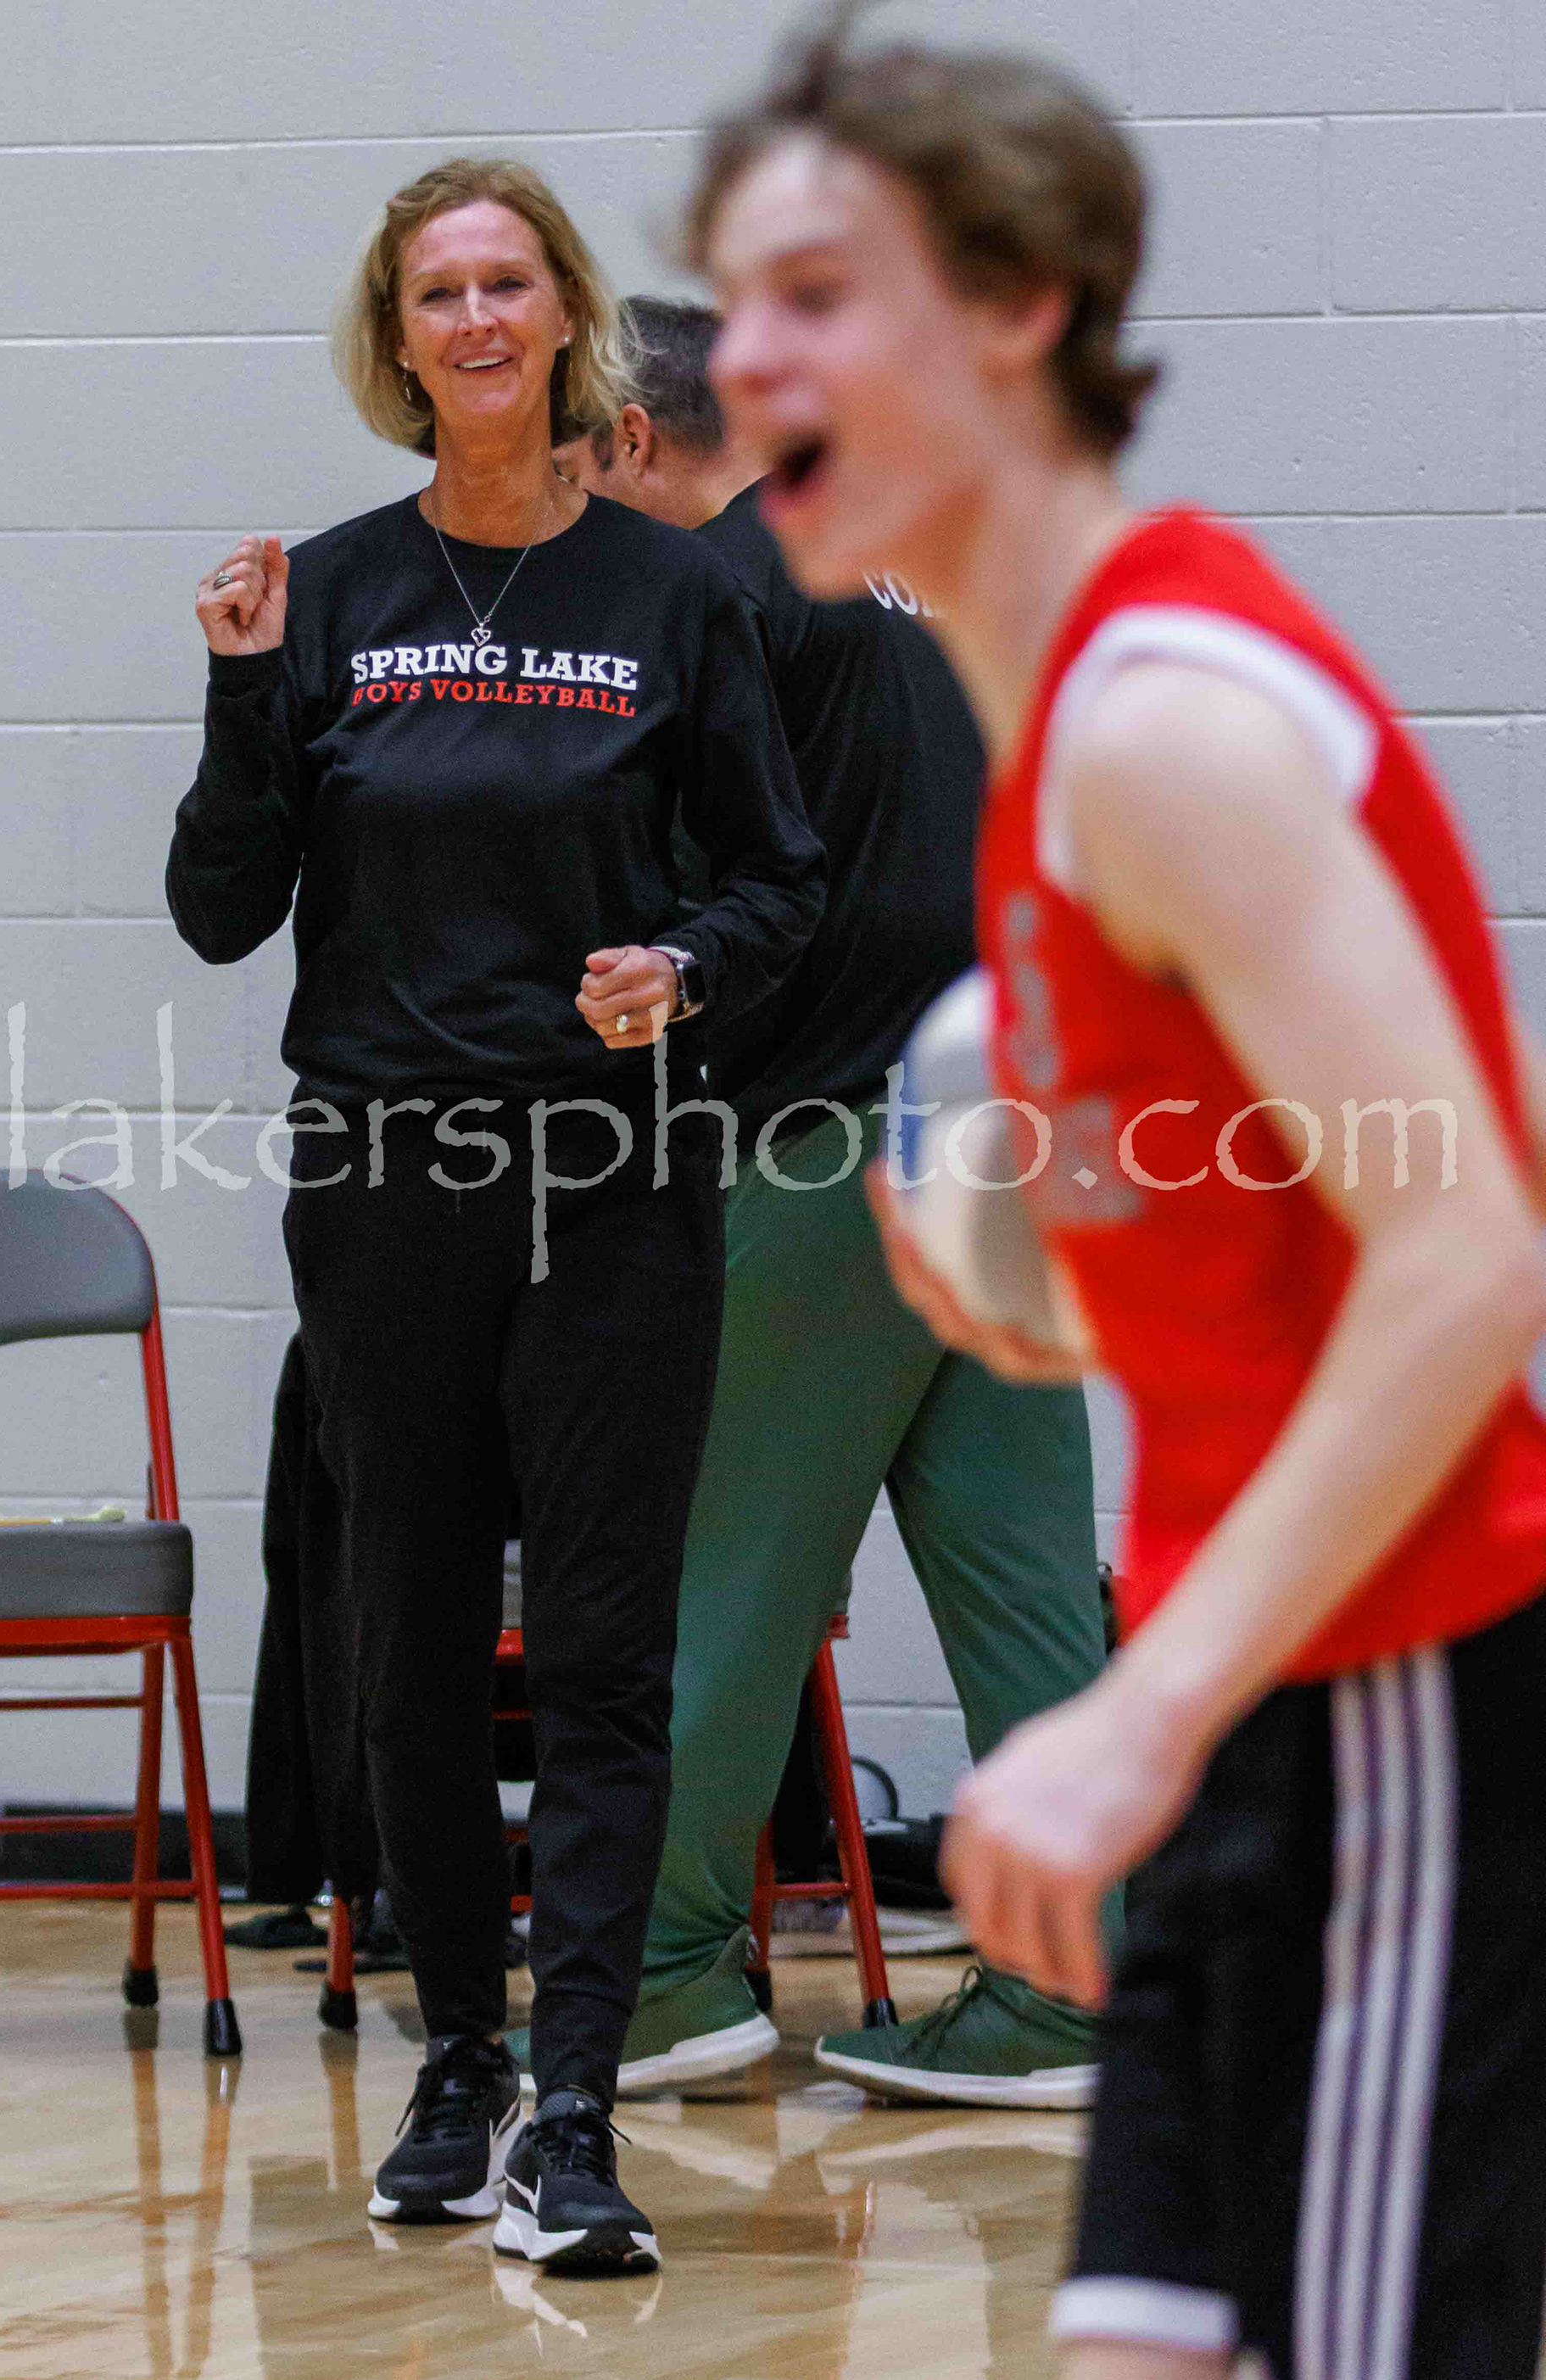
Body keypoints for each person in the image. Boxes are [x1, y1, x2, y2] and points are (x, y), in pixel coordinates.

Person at [691, 21, 1546, 2380]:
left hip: (1378, 1693)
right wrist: (1048, 1280)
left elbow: (1470, 1244)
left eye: (815, 294)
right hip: (1242, 1684)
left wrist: (1141, 1713)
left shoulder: (1168, 724)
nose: (744, 355)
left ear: (1017, 306)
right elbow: (1265, 1224)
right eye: (733, 301)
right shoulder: (1049, 731)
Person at [166, 155, 823, 2275]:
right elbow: (219, 907)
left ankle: (579, 2105)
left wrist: (686, 965)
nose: (473, 319)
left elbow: (782, 877)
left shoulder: (675, 595)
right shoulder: (326, 592)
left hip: (616, 1182)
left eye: (505, 284)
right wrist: (239, 686)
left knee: (610, 1651)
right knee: (414, 1636)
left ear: (561, 320)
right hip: (389, 1182)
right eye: (436, 289)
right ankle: (460, 2060)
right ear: (399, 333)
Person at [543, 294, 1108, 2109]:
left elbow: (685, 898)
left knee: (715, 1568)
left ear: (634, 440)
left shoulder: (713, 591)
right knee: (1027, 1589)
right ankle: (1076, 1988)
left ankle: (656, 1981)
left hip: (829, 1147)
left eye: (562, 467)